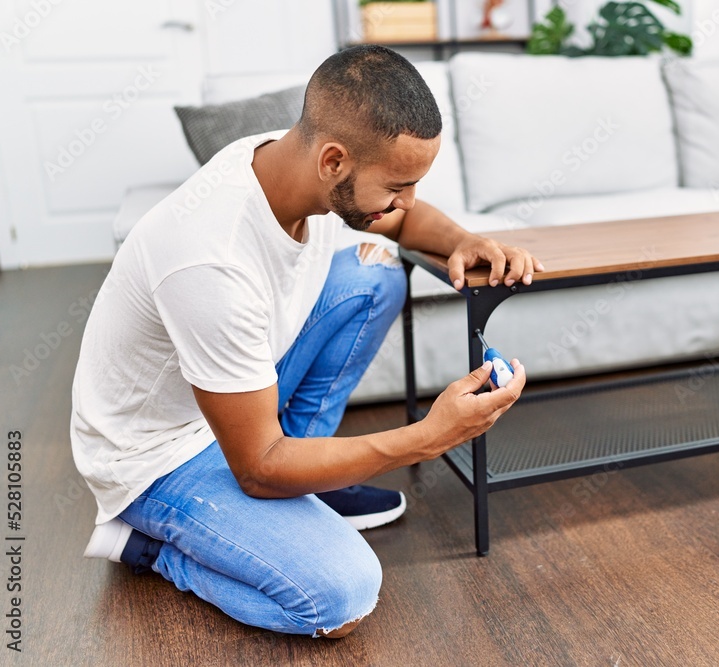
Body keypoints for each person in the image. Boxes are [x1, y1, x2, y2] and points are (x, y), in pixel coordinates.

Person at [71, 44, 543, 639]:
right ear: (333, 162)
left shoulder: (297, 159)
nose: (409, 202)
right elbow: (258, 467)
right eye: (399, 184)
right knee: (338, 598)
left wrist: (462, 240)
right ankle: (150, 546)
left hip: (236, 399)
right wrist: (428, 437)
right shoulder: (209, 255)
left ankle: (309, 477)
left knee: (373, 274)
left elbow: (397, 221)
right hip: (158, 455)